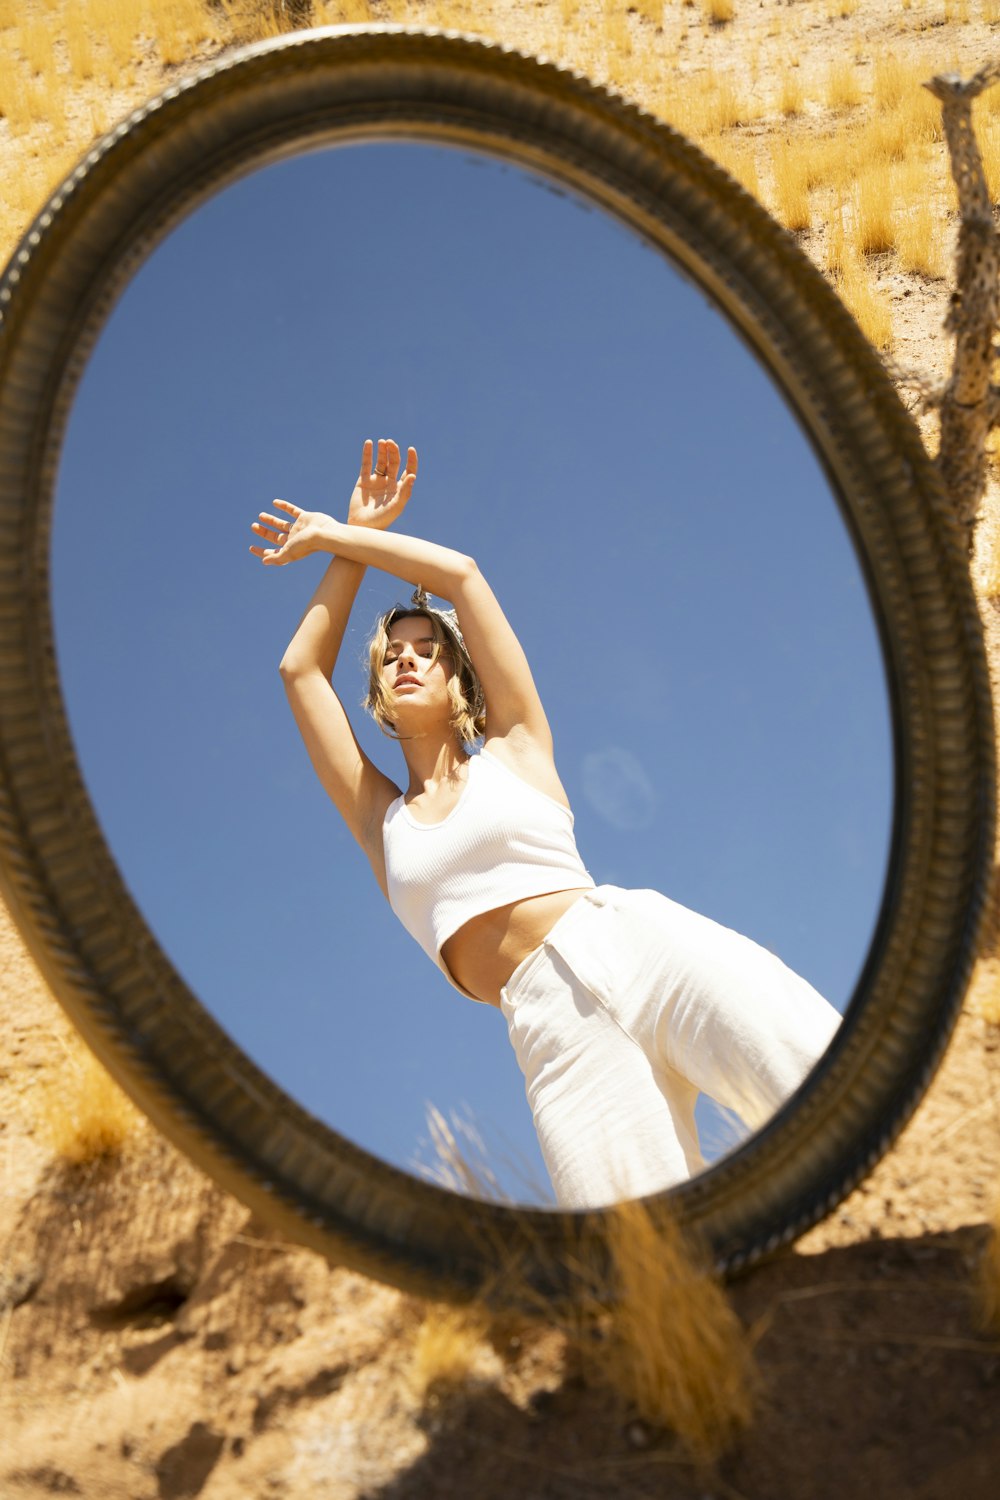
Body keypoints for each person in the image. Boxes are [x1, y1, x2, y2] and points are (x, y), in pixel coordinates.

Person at [250, 437, 841, 1209]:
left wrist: (340, 530)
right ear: (377, 695)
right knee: (644, 1255)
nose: (407, 660)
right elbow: (300, 670)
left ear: (458, 677)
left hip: (637, 946)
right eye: (391, 655)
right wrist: (346, 557)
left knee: (823, 1083)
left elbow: (461, 577)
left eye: (427, 650)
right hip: (551, 1029)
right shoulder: (380, 820)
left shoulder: (516, 746)